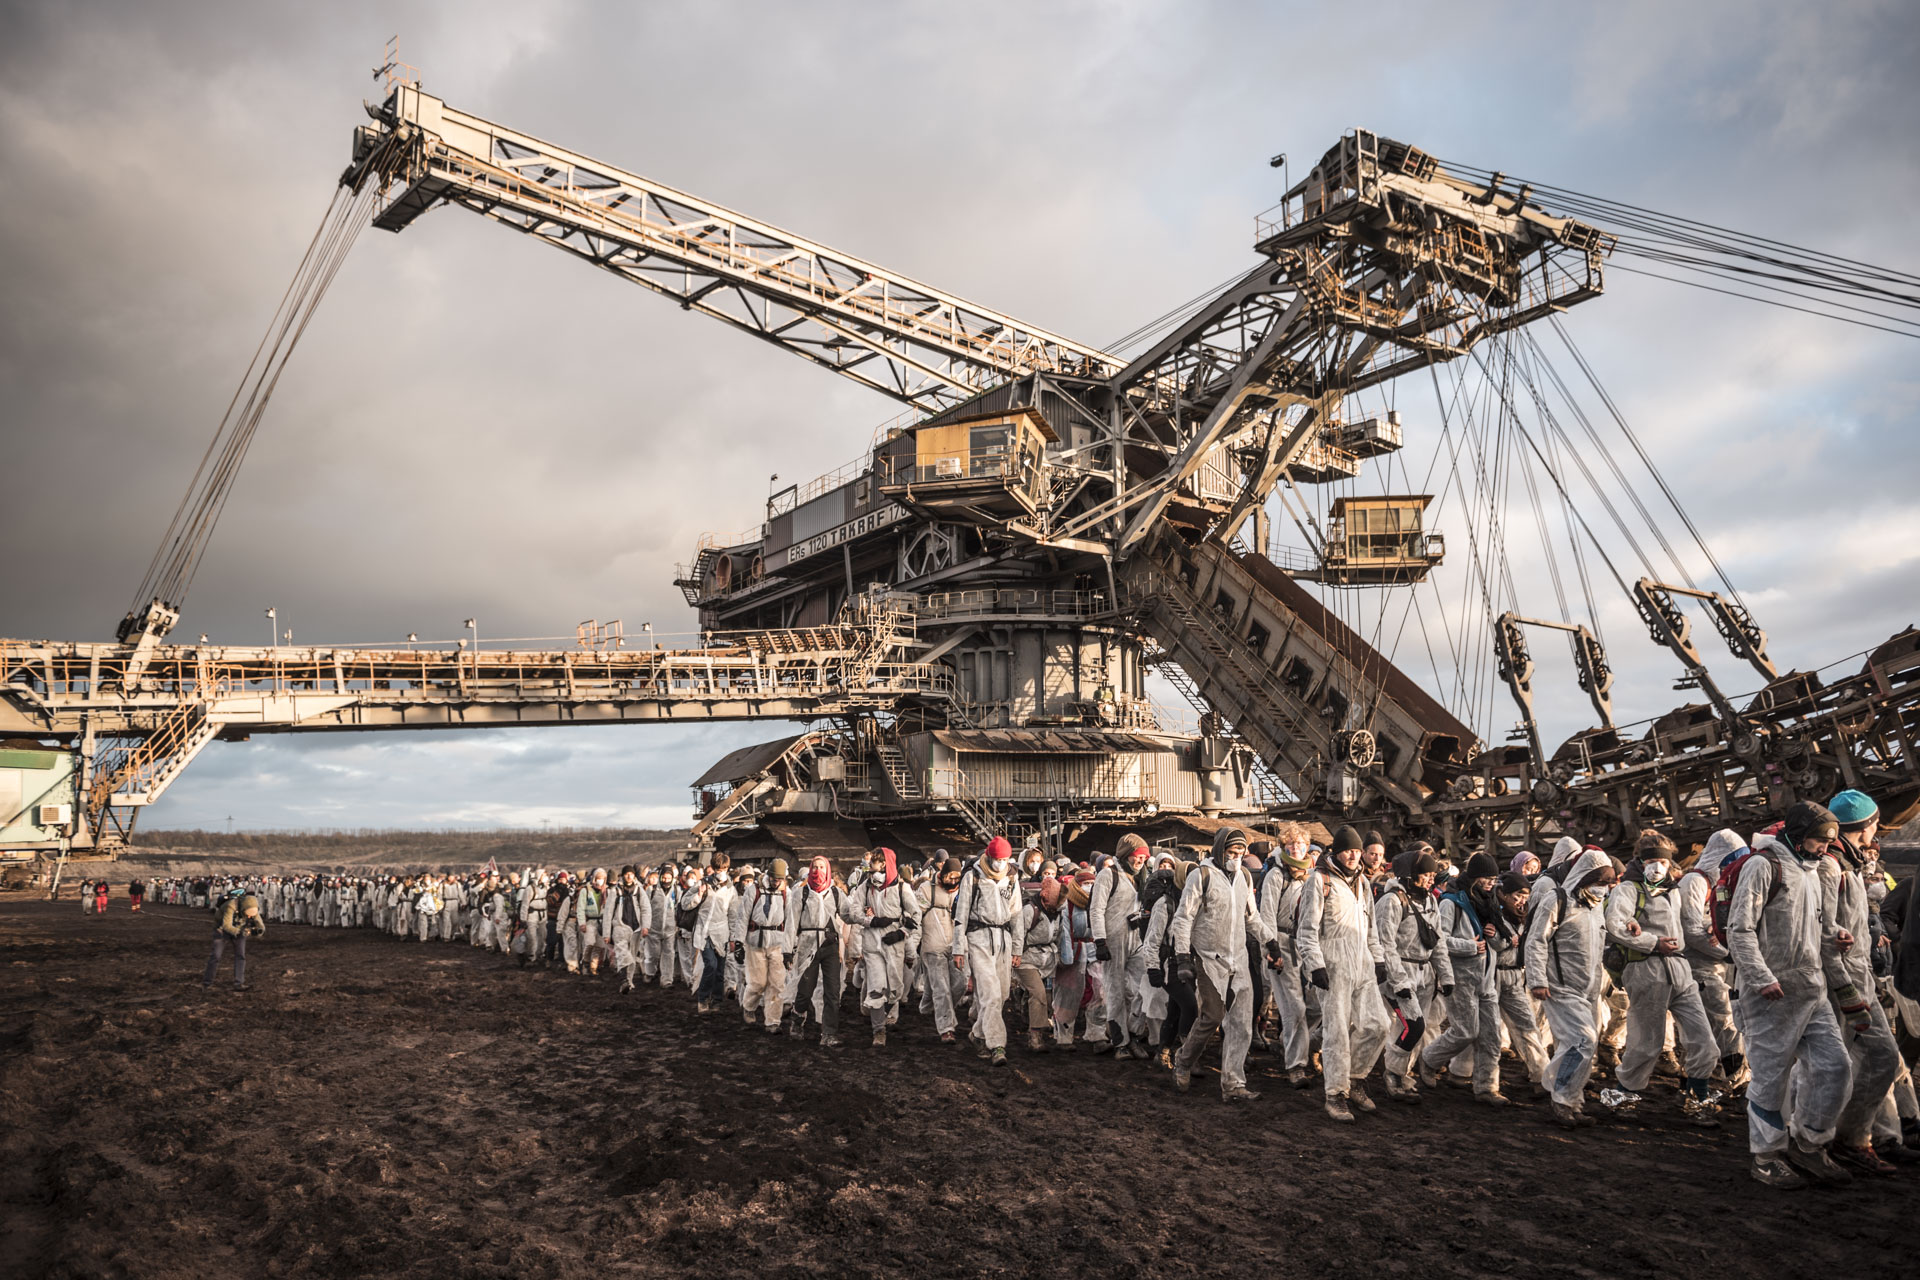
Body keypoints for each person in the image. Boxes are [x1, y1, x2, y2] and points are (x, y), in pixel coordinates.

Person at [1727, 803, 1857, 1187]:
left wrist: (1836, 937)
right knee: (1770, 1077)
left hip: (1811, 988)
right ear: (1799, 836)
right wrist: (1760, 977)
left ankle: (1810, 1143)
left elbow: (1814, 927)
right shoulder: (1764, 866)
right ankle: (1765, 1156)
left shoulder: (1811, 872)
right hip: (1771, 992)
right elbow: (1740, 929)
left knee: (1835, 1067)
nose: (1825, 848)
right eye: (1820, 840)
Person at [1604, 830, 1723, 1125]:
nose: (1658, 867)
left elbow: (1687, 923)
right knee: (1647, 1043)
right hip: (1647, 970)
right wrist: (1651, 942)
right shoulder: (1628, 890)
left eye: (1663, 862)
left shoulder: (1673, 891)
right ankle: (1623, 1096)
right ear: (1641, 862)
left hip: (1680, 970)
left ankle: (1697, 1098)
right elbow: (1615, 923)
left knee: (1704, 1041)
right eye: (1652, 862)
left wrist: (1713, 927)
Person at [1821, 790, 1906, 1173]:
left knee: (1871, 1062)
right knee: (1874, 1059)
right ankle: (1843, 1141)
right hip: (1845, 983)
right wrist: (1845, 987)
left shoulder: (1849, 866)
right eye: (1875, 823)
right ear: (1867, 824)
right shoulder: (1833, 868)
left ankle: (1867, 1137)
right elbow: (1824, 930)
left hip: (1858, 978)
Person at [1169, 827, 1279, 1103]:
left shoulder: (1242, 876)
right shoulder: (1201, 876)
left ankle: (1233, 1083)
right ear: (1220, 851)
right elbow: (1183, 918)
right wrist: (1183, 956)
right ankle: (1183, 1060)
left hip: (1238, 958)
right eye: (1231, 853)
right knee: (1213, 1016)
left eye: (1240, 854)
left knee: (1242, 1022)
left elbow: (1251, 916)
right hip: (1209, 958)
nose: (1236, 858)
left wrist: (1270, 941)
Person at [1298, 825, 1389, 1120]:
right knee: (1337, 1032)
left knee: (1378, 1025)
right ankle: (1335, 1095)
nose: (1352, 855)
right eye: (1347, 850)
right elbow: (1307, 930)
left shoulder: (1363, 882)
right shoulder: (1320, 880)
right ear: (1336, 851)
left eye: (1355, 850)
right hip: (1333, 962)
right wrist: (1315, 965)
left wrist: (1378, 959)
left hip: (1362, 959)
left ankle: (1356, 1078)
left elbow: (1371, 927)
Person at [1525, 845, 1615, 1130]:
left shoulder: (1595, 907)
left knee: (1584, 1045)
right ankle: (1560, 1096)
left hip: (1589, 988)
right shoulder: (1557, 899)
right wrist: (1537, 979)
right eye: (1600, 882)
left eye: (1607, 883)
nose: (1604, 888)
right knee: (1582, 1041)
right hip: (1560, 986)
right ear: (1585, 877)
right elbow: (1536, 940)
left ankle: (1573, 1101)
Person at [1423, 851, 1509, 1104]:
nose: (1491, 883)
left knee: (1491, 1035)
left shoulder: (1490, 904)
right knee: (1465, 1031)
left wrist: (1493, 936)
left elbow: (1500, 944)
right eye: (1487, 878)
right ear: (1474, 878)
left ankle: (1486, 1087)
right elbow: (1440, 940)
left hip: (1486, 978)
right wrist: (1469, 946)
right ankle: (1429, 1060)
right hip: (1461, 977)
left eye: (1494, 878)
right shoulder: (1451, 902)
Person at [1376, 848, 1449, 1102]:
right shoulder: (1392, 901)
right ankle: (1392, 1074)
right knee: (1413, 1026)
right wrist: (1398, 981)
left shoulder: (1429, 900)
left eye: (1432, 874)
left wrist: (1446, 975)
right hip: (1402, 971)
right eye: (1426, 874)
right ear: (1410, 875)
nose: (1431, 879)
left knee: (1414, 1030)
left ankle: (1402, 1075)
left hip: (1425, 971)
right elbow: (1385, 944)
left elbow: (1437, 940)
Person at [1677, 829, 1748, 1085]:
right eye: (1731, 860)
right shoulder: (1695, 882)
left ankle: (1715, 1077)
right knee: (1719, 1024)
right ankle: (1735, 1079)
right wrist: (1728, 952)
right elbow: (1692, 930)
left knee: (1719, 1025)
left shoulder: (1722, 885)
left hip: (1718, 964)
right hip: (1699, 967)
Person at [952, 836, 1026, 1066]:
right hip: (979, 938)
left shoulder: (1012, 878)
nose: (1000, 864)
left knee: (1002, 995)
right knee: (990, 994)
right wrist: (958, 948)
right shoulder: (973, 877)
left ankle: (978, 1033)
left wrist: (1017, 948)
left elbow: (1017, 915)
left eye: (1004, 860)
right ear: (989, 857)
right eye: (997, 859)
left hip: (1003, 938)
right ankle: (997, 1046)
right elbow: (961, 914)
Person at [1258, 826, 1317, 1086]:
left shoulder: (1313, 876)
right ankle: (1296, 1066)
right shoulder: (1276, 875)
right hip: (1281, 943)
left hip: (1307, 943)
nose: (1296, 848)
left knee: (1316, 1006)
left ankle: (1302, 1045)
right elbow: (1267, 916)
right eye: (1291, 844)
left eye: (1301, 843)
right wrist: (1271, 950)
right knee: (1294, 1008)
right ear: (1283, 847)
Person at [846, 848, 922, 1046]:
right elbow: (854, 913)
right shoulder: (865, 887)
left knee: (895, 988)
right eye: (872, 868)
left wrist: (901, 933)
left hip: (894, 943)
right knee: (877, 985)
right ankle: (878, 1030)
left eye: (879, 867)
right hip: (872, 943)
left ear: (887, 866)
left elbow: (915, 916)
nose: (874, 872)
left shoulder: (902, 888)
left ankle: (877, 1005)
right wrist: (872, 921)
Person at [1091, 833, 1152, 1058]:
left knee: (1143, 987)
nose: (1140, 861)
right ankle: (1121, 1042)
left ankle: (1135, 1033)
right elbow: (1096, 909)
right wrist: (1100, 940)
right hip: (1113, 939)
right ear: (1127, 855)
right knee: (1115, 991)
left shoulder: (1143, 876)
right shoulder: (1109, 875)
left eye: (1144, 857)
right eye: (1137, 856)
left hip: (1137, 938)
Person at [787, 855, 849, 1045]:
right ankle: (797, 1019)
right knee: (805, 989)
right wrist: (787, 949)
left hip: (830, 945)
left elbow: (849, 914)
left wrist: (868, 915)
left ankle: (829, 1034)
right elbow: (791, 922)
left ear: (828, 870)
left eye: (822, 867)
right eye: (815, 867)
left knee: (832, 991)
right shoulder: (801, 894)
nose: (818, 871)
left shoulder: (837, 894)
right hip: (808, 944)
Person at [735, 858, 791, 1032]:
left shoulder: (786, 893)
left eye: (780, 880)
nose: (777, 883)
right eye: (774, 879)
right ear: (769, 875)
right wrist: (738, 942)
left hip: (777, 942)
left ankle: (773, 1021)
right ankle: (749, 1006)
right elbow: (743, 916)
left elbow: (790, 921)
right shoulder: (754, 890)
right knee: (758, 983)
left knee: (777, 983)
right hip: (755, 941)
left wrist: (790, 946)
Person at [917, 856, 968, 1043]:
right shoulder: (926, 890)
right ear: (943, 874)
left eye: (957, 878)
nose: (953, 882)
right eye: (950, 878)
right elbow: (915, 918)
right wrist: (913, 944)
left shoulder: (963, 892)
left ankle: (930, 1005)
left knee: (960, 983)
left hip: (956, 946)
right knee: (942, 987)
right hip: (933, 945)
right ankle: (947, 1028)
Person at [203, 886, 265, 990]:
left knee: (240, 956)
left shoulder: (252, 908)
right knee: (216, 956)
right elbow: (226, 925)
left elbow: (261, 926)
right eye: (248, 915)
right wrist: (240, 932)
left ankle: (239, 983)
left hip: (239, 929)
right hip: (221, 930)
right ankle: (207, 983)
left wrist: (257, 932)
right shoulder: (231, 906)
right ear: (244, 908)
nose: (250, 917)